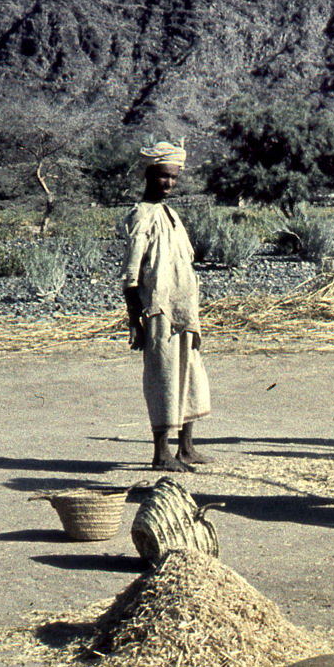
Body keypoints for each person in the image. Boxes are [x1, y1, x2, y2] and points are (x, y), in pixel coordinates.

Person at [121, 141, 210, 472]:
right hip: (158, 311)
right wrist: (135, 319)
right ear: (149, 174)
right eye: (163, 177)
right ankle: (162, 453)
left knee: (190, 374)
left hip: (184, 311)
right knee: (163, 378)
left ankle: (186, 447)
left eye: (173, 177)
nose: (169, 183)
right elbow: (131, 275)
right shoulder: (141, 214)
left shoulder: (170, 213)